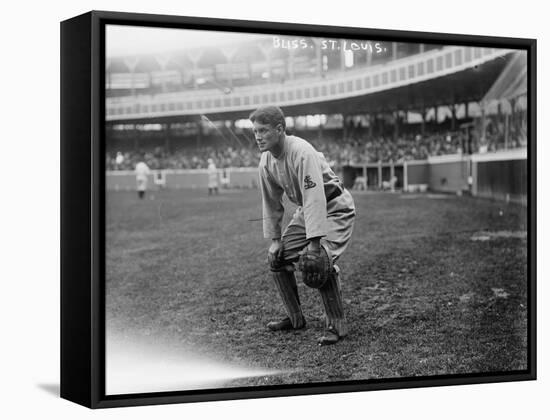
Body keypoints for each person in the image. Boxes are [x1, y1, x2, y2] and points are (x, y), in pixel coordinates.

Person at [251, 106, 356, 345]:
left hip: (334, 207)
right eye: (255, 131)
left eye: (263, 130)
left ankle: (337, 326)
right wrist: (276, 240)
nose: (257, 136)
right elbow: (271, 202)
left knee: (317, 260)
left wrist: (315, 244)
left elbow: (315, 198)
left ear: (280, 129)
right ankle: (295, 318)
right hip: (307, 212)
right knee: (277, 258)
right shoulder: (266, 161)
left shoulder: (302, 152)